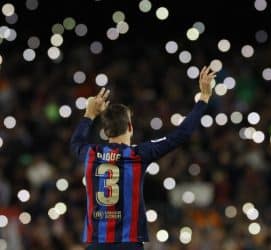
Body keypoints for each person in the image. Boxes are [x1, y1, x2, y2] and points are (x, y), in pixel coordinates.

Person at [70, 66, 216, 250]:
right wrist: (203, 98)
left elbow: (75, 142)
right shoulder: (138, 154)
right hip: (128, 244)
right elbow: (182, 134)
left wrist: (89, 114)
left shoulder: (90, 153)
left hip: (97, 244)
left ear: (106, 132)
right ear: (130, 127)